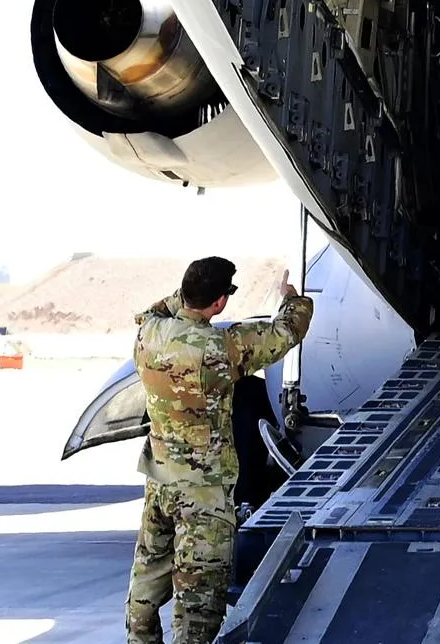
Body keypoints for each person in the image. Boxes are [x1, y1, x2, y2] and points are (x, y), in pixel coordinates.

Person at [126, 257, 313, 644]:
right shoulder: (218, 349)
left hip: (160, 484)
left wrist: (186, 296)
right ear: (220, 302)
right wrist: (292, 300)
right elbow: (285, 331)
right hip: (204, 495)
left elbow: (160, 308)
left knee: (145, 585)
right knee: (199, 606)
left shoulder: (148, 332)